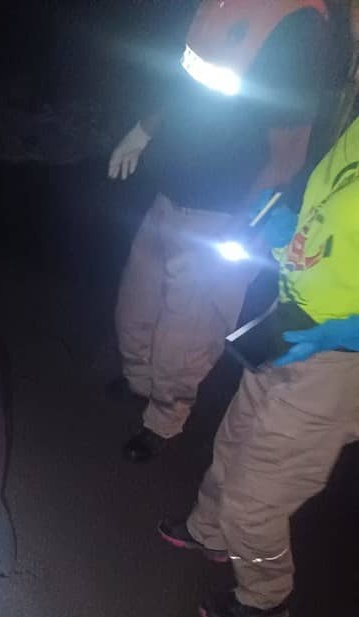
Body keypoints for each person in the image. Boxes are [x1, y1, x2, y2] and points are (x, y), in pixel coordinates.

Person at [157, 113, 359, 617]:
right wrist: (286, 236)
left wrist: (343, 333)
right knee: (235, 440)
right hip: (290, 320)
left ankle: (266, 594)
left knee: (257, 500)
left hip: (338, 361)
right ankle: (210, 531)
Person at [107, 0, 331, 462]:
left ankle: (164, 419)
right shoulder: (221, 4)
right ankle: (139, 383)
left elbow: (289, 147)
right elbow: (184, 76)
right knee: (136, 307)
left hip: (223, 210)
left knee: (186, 331)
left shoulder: (298, 24)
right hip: (169, 191)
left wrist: (249, 225)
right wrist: (143, 130)